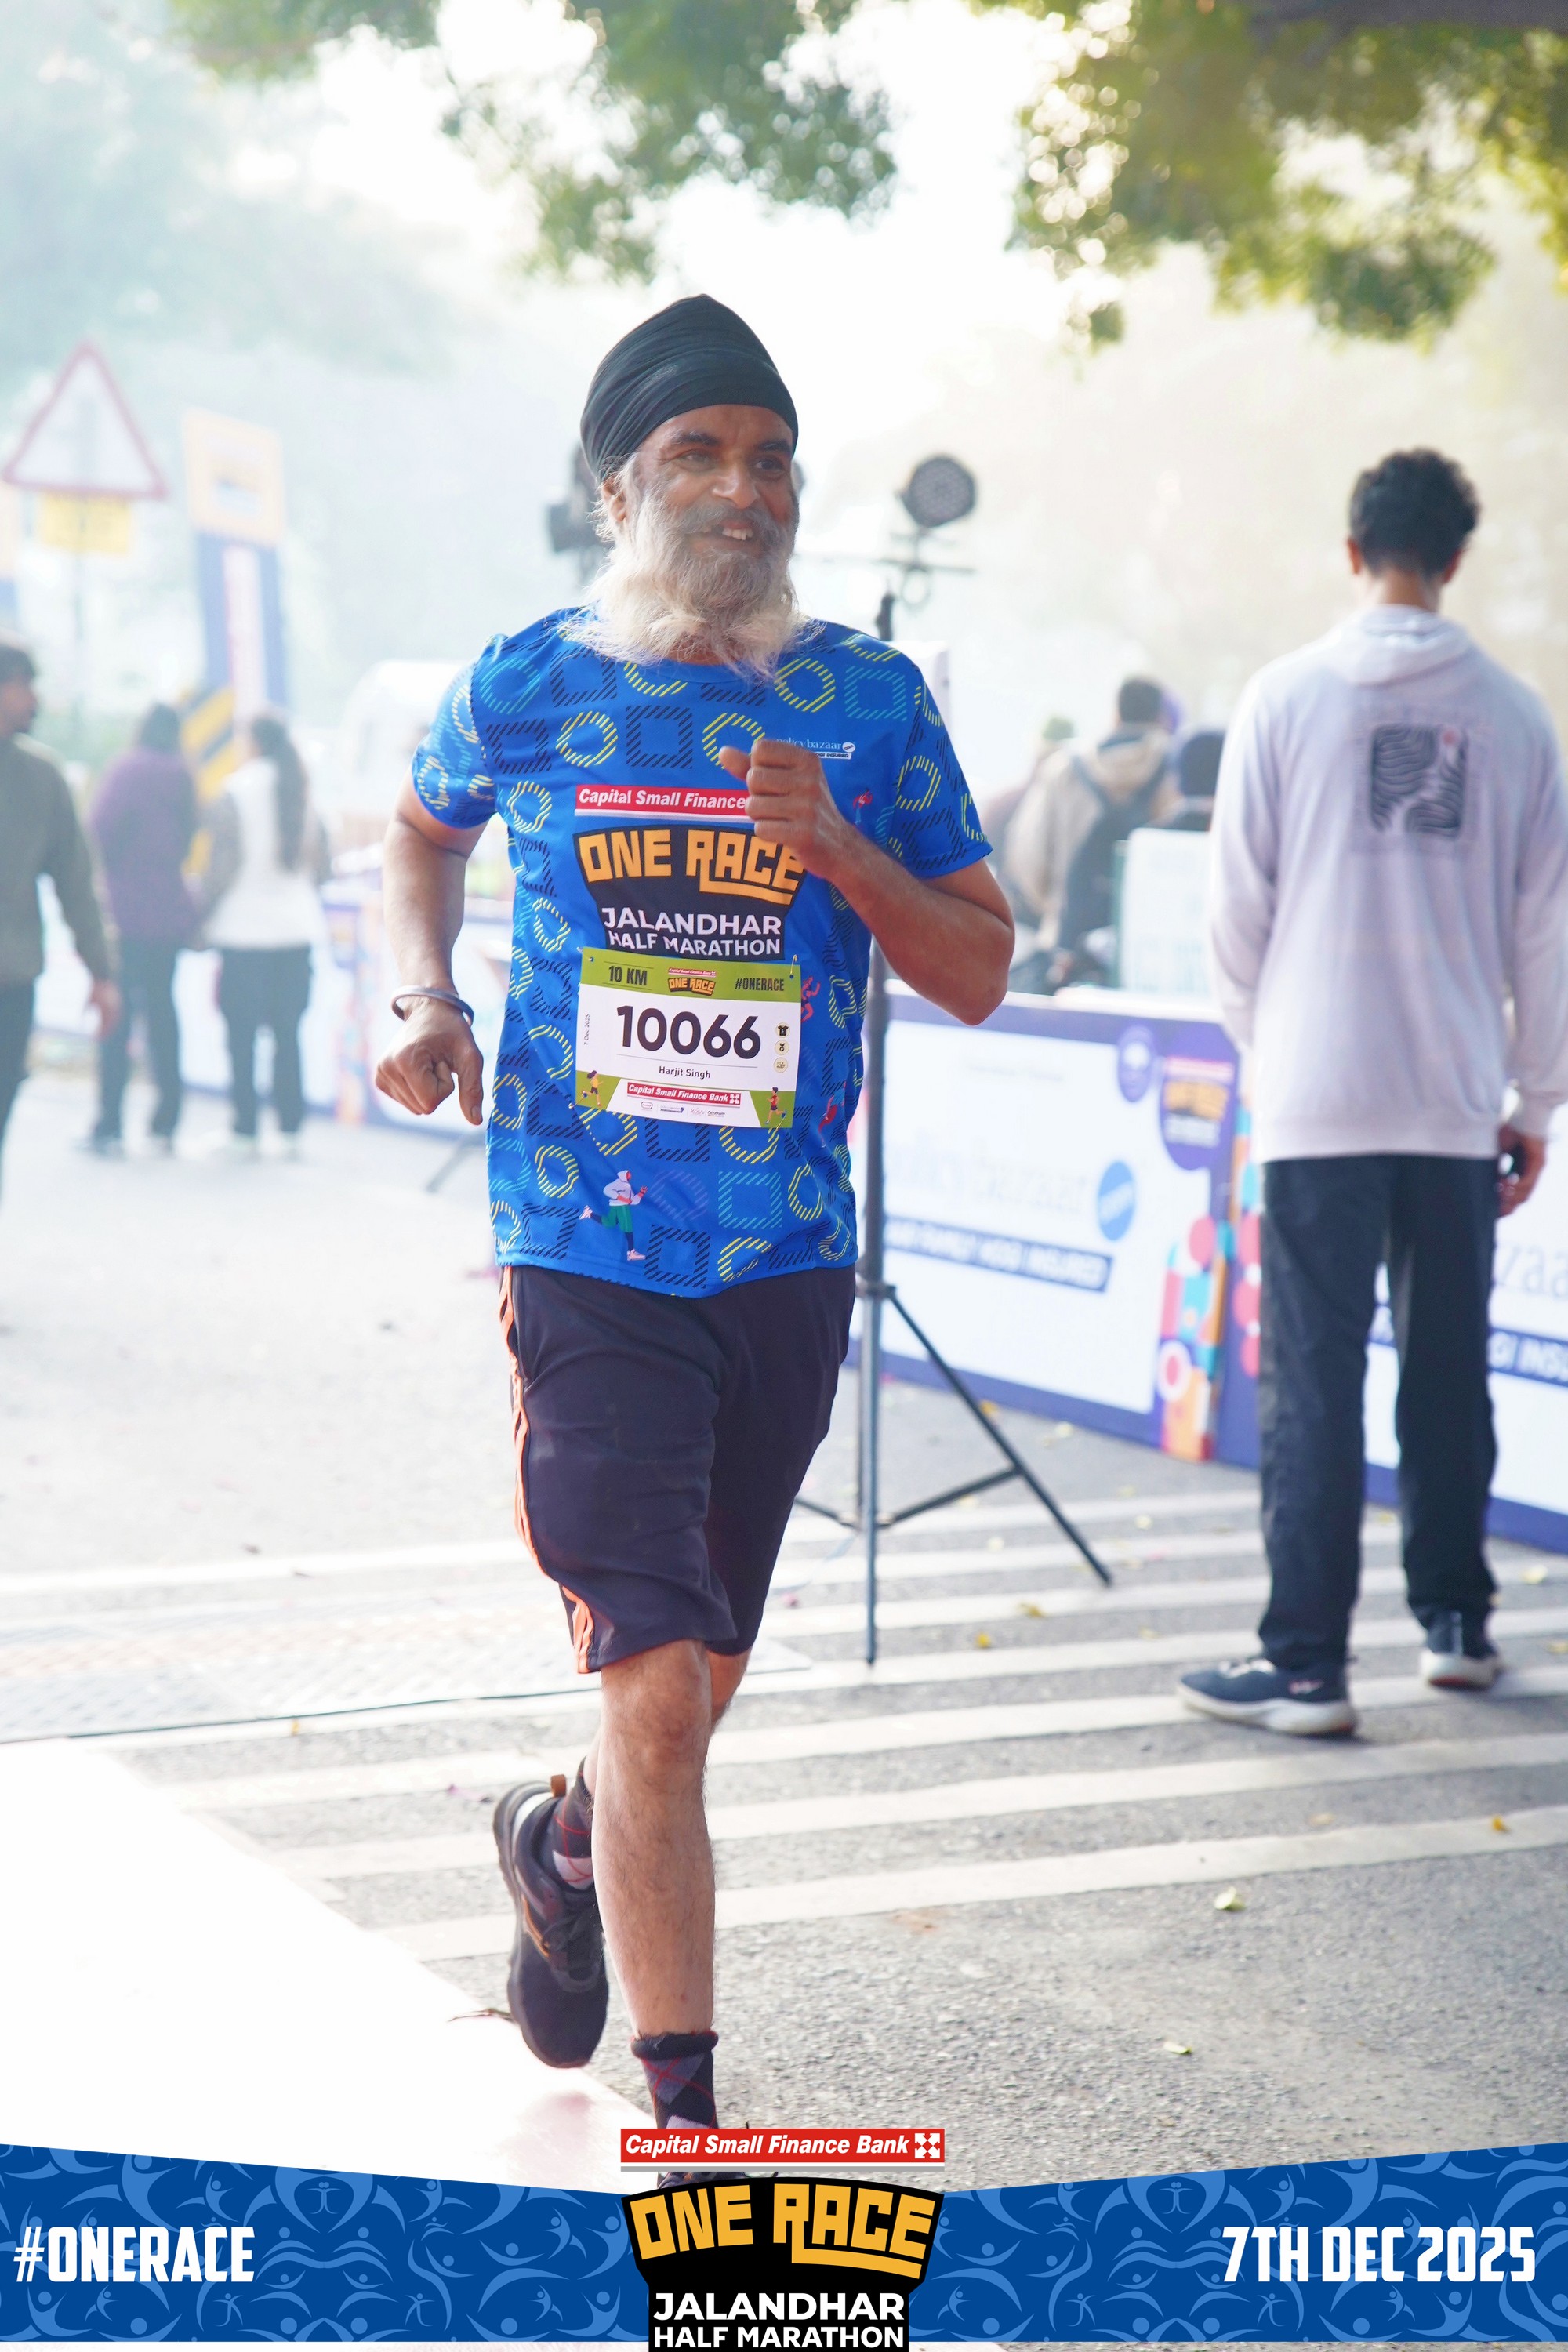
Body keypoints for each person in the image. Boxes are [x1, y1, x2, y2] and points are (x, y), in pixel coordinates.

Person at [373, 294, 1012, 2147]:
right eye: (699, 455)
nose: (745, 489)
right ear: (618, 490)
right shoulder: (528, 682)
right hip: (582, 1246)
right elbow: (417, 833)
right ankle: (691, 2128)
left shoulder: (868, 704)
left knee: (690, 1685)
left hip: (782, 1259)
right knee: (654, 1692)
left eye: (771, 460)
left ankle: (562, 1844)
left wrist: (845, 852)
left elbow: (977, 967)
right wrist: (422, 997)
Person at [1181, 448, 1568, 1737]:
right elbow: (1547, 934)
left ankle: (1307, 1667)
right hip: (1454, 1096)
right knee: (1449, 1372)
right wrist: (1535, 1101)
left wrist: (1276, 1049)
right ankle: (1456, 1625)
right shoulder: (1517, 720)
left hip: (1317, 1092)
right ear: (1455, 561)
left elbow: (1234, 917)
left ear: (1353, 553)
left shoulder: (1283, 698)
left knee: (1314, 1378)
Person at [0, 636, 118, 1187]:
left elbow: (76, 883)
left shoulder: (41, 778)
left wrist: (101, 972)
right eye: (23, 685)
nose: (33, 699)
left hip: (11, 983)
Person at [203, 712, 328, 1157]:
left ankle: (244, 1129)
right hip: (297, 929)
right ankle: (290, 1131)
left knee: (241, 1038)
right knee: (287, 1035)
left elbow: (221, 867)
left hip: (243, 931)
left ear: (253, 742)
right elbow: (323, 867)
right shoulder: (305, 791)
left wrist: (201, 916)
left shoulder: (235, 790)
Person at [88, 702, 198, 1154]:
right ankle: (166, 1120)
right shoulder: (183, 775)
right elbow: (189, 838)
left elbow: (99, 831)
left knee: (118, 1017)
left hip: (126, 913)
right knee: (163, 1015)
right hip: (168, 913)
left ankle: (109, 1124)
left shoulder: (127, 770)